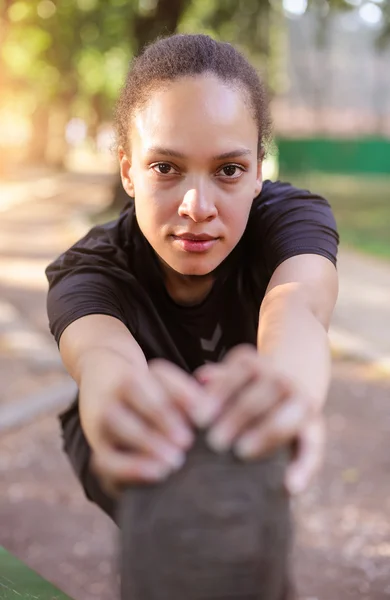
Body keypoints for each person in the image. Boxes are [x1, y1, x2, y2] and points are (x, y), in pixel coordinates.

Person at [46, 33, 339, 597]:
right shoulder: (89, 270)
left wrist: (289, 389)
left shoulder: (290, 219)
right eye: (166, 167)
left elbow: (297, 302)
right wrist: (115, 400)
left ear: (258, 170)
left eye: (228, 170)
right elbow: (102, 355)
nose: (197, 208)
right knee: (177, 531)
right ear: (128, 172)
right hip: (127, 436)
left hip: (242, 432)